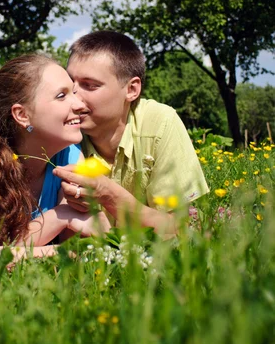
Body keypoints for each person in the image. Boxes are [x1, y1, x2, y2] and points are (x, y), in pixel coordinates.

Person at [0, 54, 111, 256]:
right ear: (23, 115)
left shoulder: (71, 156)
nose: (80, 105)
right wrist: (60, 215)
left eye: (74, 93)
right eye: (62, 96)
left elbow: (70, 247)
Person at [52, 31, 209, 233]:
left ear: (131, 89)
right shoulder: (61, 132)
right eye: (70, 83)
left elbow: (178, 229)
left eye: (90, 85)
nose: (74, 96)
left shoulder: (160, 123)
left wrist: (108, 194)